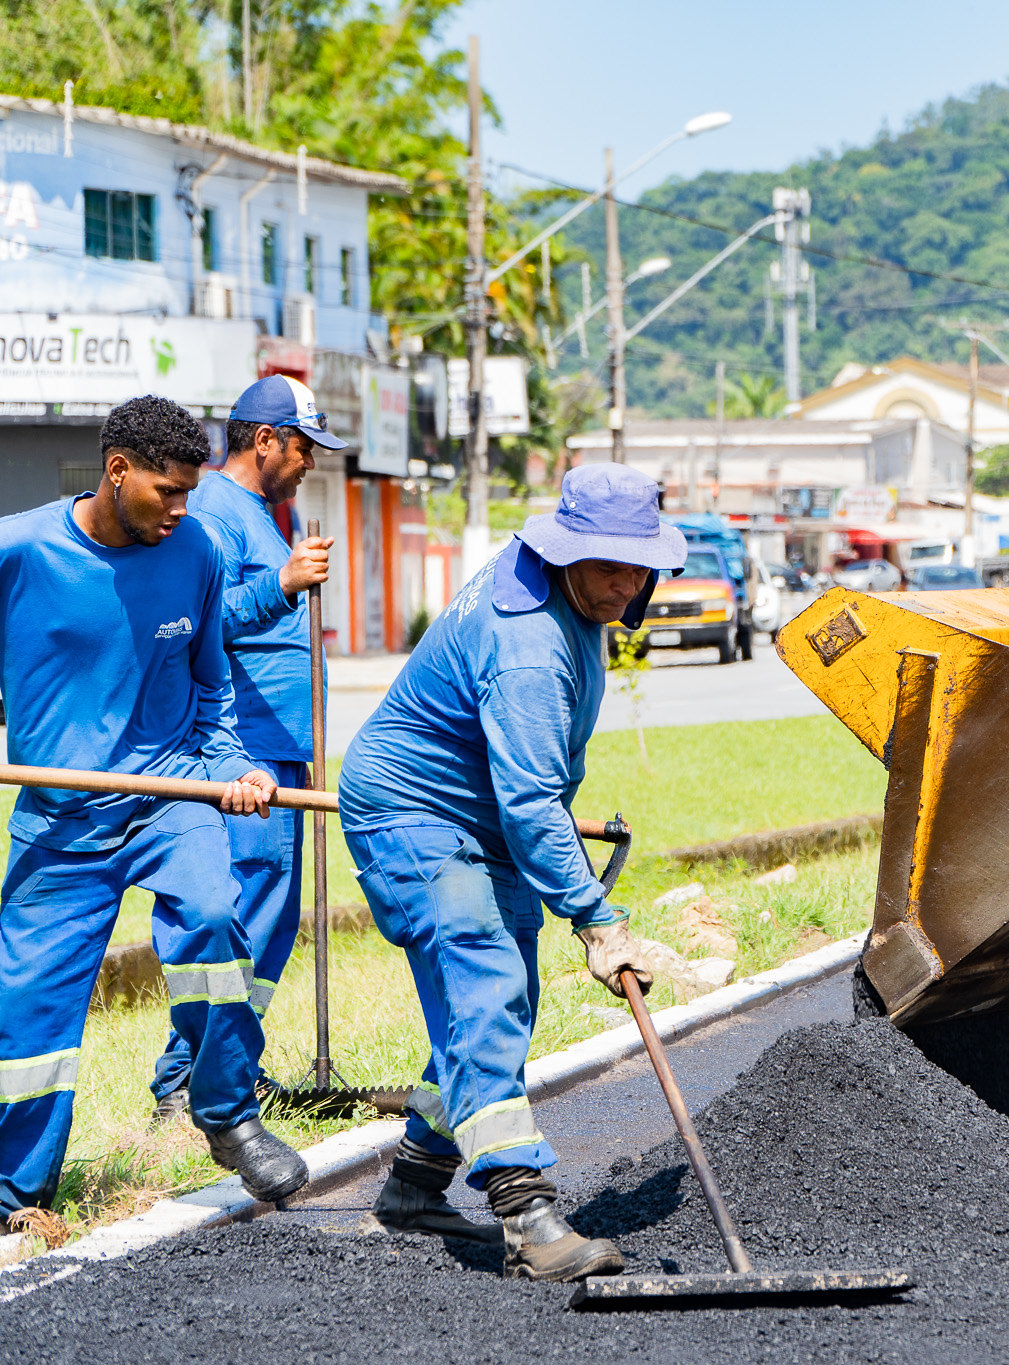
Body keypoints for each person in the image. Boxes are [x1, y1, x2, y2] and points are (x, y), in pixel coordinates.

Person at [339, 462, 680, 1279]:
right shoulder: (526, 642)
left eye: (641, 565)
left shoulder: (576, 593)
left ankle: (416, 1184)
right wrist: (597, 916)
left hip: (485, 812)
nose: (627, 582)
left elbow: (530, 788)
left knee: (499, 1003)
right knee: (485, 981)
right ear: (565, 550)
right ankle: (525, 1213)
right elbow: (531, 800)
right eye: (610, 563)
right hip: (415, 815)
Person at [0, 396, 306, 1213]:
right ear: (117, 470)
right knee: (27, 1015)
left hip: (171, 794)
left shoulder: (195, 549)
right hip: (61, 822)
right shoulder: (19, 550)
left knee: (213, 915)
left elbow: (211, 691)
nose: (181, 509)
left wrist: (236, 765)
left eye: (188, 492)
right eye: (167, 492)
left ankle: (226, 1112)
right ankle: (15, 1195)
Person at [150, 375, 342, 1121]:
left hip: (282, 747)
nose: (309, 463)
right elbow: (203, 621)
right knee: (247, 906)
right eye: (302, 446)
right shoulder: (215, 514)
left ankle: (227, 1066)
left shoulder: (262, 513)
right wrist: (286, 583)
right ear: (264, 440)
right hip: (244, 749)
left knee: (273, 916)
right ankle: (186, 1074)